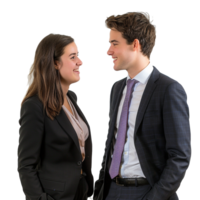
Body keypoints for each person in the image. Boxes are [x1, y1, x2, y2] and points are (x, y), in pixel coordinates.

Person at [93, 11, 191, 200]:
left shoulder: (169, 89)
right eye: (108, 44)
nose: (108, 51)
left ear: (135, 44)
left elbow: (180, 156)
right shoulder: (117, 88)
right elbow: (112, 144)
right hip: (111, 191)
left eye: (114, 44)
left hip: (146, 192)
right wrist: (99, 192)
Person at [17, 33, 94, 200]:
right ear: (55, 63)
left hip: (80, 190)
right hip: (56, 196)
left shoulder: (71, 98)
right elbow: (25, 165)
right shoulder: (35, 106)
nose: (80, 62)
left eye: (78, 56)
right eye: (73, 57)